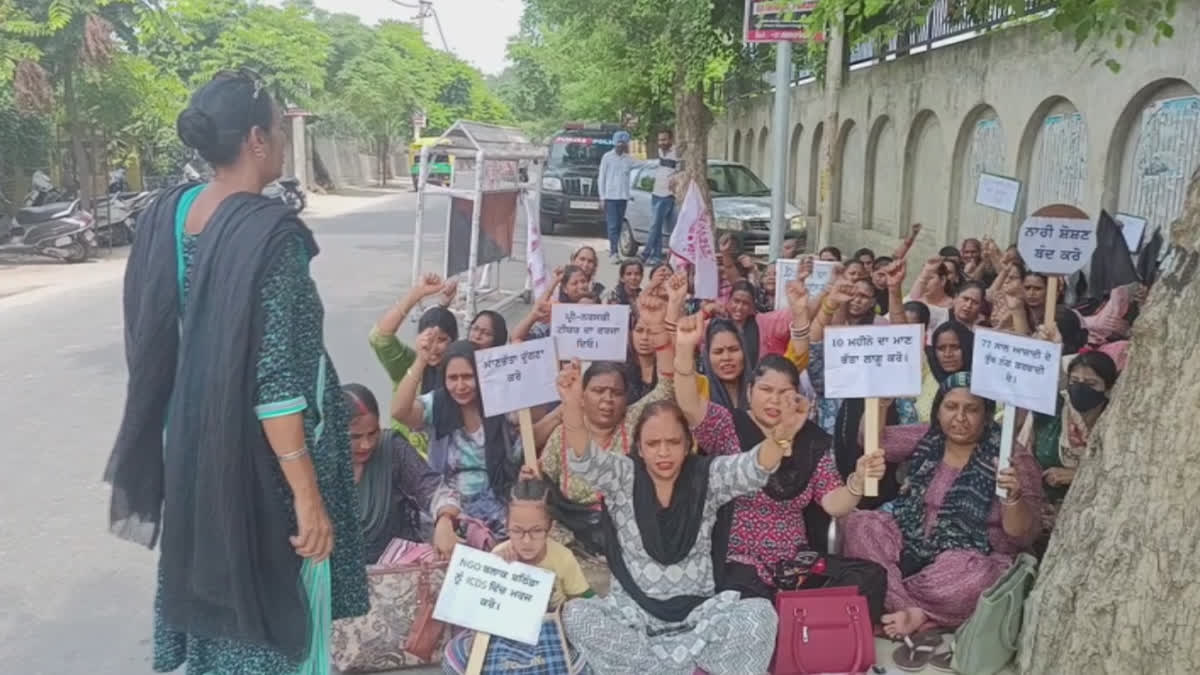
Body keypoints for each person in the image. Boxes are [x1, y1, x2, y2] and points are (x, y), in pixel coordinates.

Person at [106, 70, 367, 673]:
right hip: (266, 472)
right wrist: (307, 498)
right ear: (255, 139)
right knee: (277, 626)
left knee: (217, 617)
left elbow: (146, 339)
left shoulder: (168, 214)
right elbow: (276, 385)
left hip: (197, 452)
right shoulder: (267, 236)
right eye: (277, 128)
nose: (279, 140)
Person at [556, 358, 784, 675]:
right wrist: (571, 405)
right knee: (578, 615)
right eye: (653, 444)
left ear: (688, 444)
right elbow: (585, 458)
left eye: (673, 442)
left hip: (700, 616)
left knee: (761, 614)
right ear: (639, 446)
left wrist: (782, 436)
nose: (663, 452)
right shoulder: (623, 476)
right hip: (635, 616)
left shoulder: (707, 476)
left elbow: (754, 467)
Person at [674, 315, 885, 597]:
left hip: (794, 562)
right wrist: (685, 349)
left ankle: (801, 625)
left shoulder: (812, 440)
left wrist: (857, 481)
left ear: (799, 397)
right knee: (748, 601)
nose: (774, 400)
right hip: (738, 559)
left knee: (868, 578)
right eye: (766, 390)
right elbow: (688, 403)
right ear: (750, 392)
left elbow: (834, 504)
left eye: (785, 392)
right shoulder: (727, 426)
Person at [841, 372, 1044, 638]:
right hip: (912, 541)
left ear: (986, 415)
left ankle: (902, 603)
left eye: (971, 409)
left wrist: (1013, 498)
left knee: (975, 580)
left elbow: (1023, 535)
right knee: (859, 525)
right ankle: (915, 609)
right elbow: (871, 441)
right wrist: (881, 403)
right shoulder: (930, 436)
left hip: (970, 558)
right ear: (938, 410)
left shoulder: (1012, 458)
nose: (959, 417)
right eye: (951, 407)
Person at [442, 475, 594, 674]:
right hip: (506, 635)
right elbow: (483, 611)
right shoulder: (499, 555)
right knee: (454, 654)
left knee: (587, 657)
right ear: (507, 526)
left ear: (551, 527)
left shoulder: (562, 557)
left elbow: (585, 602)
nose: (527, 541)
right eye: (517, 531)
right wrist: (504, 569)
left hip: (550, 632)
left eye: (537, 531)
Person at [391, 338, 523, 555]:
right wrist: (420, 361)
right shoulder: (438, 405)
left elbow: (529, 426)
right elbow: (399, 411)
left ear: (480, 376)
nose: (460, 386)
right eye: (453, 378)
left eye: (468, 377)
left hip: (499, 507)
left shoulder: (498, 401)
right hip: (451, 510)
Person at [342, 384, 438, 562]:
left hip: (396, 571)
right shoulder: (320, 466)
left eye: (372, 433)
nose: (366, 444)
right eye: (354, 437)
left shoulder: (391, 448)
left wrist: (444, 516)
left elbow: (430, 487)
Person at [370, 273, 462, 459]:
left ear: (454, 342)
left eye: (442, 340)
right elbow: (379, 338)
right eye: (428, 339)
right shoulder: (407, 364)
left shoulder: (460, 373)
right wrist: (416, 294)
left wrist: (442, 307)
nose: (434, 347)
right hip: (401, 460)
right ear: (418, 338)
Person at [1031, 351, 1118, 539]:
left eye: (1090, 384)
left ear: (1108, 388)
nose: (1080, 389)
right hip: (1043, 512)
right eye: (1074, 381)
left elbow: (1119, 475)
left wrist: (1077, 476)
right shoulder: (1053, 413)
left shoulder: (1116, 423)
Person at [916, 321, 975, 422]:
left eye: (955, 347)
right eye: (941, 348)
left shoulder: (982, 383)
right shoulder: (929, 369)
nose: (947, 354)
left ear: (967, 347)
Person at [599, 130, 637, 262]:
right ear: (615, 143)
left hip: (623, 197)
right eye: (618, 143)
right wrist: (602, 197)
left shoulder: (628, 159)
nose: (621, 145)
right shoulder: (607, 157)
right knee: (612, 225)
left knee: (620, 225)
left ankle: (616, 250)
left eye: (623, 143)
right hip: (610, 197)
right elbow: (601, 177)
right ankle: (613, 252)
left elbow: (642, 165)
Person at [643, 129, 679, 264]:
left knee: (655, 226)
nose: (662, 143)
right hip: (655, 193)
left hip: (667, 195)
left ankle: (645, 254)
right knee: (656, 228)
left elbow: (681, 170)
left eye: (664, 140)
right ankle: (656, 256)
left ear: (671, 140)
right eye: (660, 140)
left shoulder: (677, 153)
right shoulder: (659, 153)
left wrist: (675, 180)